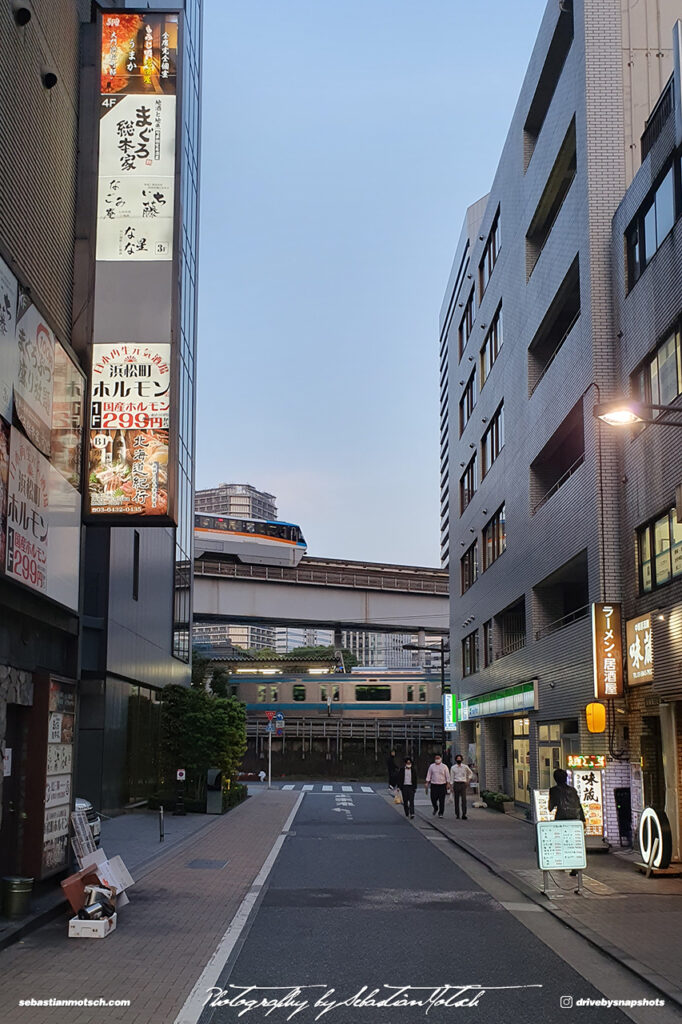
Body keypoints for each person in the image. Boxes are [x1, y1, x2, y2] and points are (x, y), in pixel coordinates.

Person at [549, 768, 586, 876]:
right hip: (575, 818)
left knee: (561, 841)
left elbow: (550, 807)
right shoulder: (573, 790)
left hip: (562, 818)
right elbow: (579, 805)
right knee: (574, 843)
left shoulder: (554, 790)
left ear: (555, 779)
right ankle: (575, 866)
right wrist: (583, 820)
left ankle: (564, 863)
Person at [449, 754, 474, 819]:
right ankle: (457, 814)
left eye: (460, 758)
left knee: (464, 800)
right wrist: (451, 786)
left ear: (462, 759)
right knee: (456, 800)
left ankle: (464, 814)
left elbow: (471, 773)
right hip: (456, 784)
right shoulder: (453, 767)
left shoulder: (465, 767)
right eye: (457, 759)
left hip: (463, 784)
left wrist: (468, 779)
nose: (459, 760)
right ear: (456, 759)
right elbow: (451, 777)